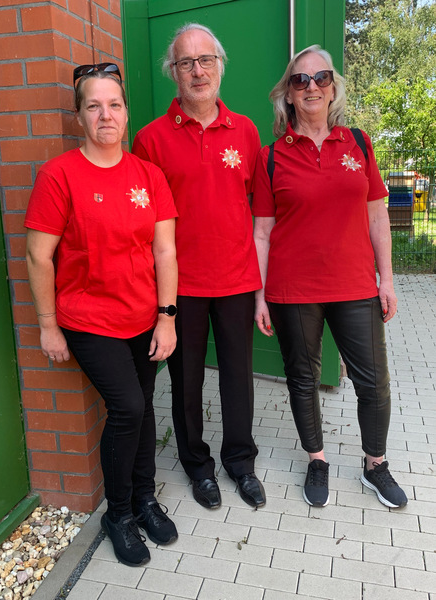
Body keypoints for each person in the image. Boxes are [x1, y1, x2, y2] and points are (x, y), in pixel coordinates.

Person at [25, 63, 179, 567]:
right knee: (129, 408)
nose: (105, 115)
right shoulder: (59, 175)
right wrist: (48, 325)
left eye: (113, 105)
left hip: (144, 316)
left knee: (144, 406)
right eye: (93, 106)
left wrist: (167, 316)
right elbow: (38, 256)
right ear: (79, 117)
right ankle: (119, 514)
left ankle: (145, 498)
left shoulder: (148, 175)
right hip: (89, 319)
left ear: (126, 114)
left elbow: (165, 251)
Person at [252, 45, 407, 509]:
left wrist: (387, 279)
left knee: (373, 382)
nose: (312, 86)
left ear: (333, 87)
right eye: (300, 80)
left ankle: (375, 464)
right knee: (303, 380)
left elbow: (377, 216)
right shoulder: (271, 157)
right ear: (288, 94)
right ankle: (316, 460)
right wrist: (260, 296)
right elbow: (262, 232)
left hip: (356, 285)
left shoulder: (358, 143)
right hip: (293, 289)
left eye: (321, 77)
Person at [132, 23, 266, 509]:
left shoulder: (246, 131)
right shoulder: (150, 139)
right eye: (186, 62)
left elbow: (258, 212)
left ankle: (241, 462)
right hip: (181, 286)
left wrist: (261, 288)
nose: (197, 71)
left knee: (238, 379)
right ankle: (197, 466)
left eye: (206, 60)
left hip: (236, 278)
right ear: (173, 72)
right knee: (186, 383)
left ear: (220, 65)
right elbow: (143, 223)